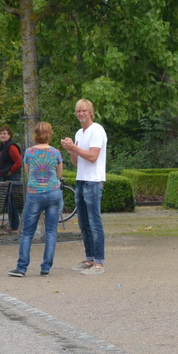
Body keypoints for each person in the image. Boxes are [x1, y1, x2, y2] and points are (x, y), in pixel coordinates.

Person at [8, 123, 64, 277]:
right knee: (51, 231)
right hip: (53, 193)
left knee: (27, 232)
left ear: (35, 134)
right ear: (50, 134)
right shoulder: (56, 153)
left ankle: (22, 267)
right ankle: (46, 267)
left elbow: (27, 172)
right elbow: (59, 175)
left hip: (35, 194)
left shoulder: (29, 152)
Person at [61, 99, 107, 273]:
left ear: (90, 112)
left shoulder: (97, 130)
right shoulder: (79, 133)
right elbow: (77, 162)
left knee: (94, 222)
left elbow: (93, 156)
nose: (81, 114)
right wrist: (71, 150)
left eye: (84, 111)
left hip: (93, 181)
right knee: (83, 222)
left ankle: (99, 262)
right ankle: (89, 258)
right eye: (78, 111)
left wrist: (75, 148)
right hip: (81, 179)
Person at [0, 126, 23, 228]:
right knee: (8, 201)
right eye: (1, 134)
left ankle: (15, 224)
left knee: (11, 201)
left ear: (9, 135)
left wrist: (11, 171)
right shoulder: (3, 146)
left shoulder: (11, 147)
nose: (2, 135)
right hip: (4, 177)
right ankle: (13, 223)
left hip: (11, 178)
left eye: (4, 133)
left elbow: (19, 162)